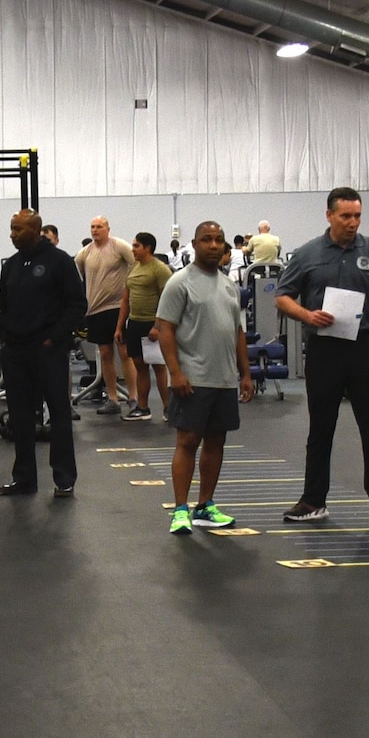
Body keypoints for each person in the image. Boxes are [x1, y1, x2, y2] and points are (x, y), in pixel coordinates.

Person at [277, 186, 369, 524]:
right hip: (324, 348)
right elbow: (282, 297)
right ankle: (313, 500)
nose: (353, 222)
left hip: (363, 347)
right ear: (329, 215)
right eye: (345, 216)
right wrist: (307, 315)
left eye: (357, 216)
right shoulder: (307, 253)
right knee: (321, 427)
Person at [153, 219, 254, 535]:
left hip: (223, 379)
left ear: (225, 247)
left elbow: (237, 331)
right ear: (194, 245)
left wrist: (246, 373)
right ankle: (180, 509)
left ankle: (205, 506)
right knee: (187, 441)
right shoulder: (179, 282)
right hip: (192, 378)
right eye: (206, 239)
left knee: (216, 441)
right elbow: (164, 328)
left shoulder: (229, 285)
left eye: (218, 240)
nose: (213, 245)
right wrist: (176, 372)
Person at [0, 209, 87, 498]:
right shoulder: (12, 265)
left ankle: (64, 478)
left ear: (35, 230)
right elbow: (4, 305)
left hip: (47, 350)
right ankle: (24, 478)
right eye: (11, 229)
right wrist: (5, 335)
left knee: (58, 414)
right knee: (20, 416)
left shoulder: (59, 261)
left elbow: (76, 305)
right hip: (17, 351)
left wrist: (53, 339)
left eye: (17, 229)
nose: (12, 234)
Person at [74, 215, 135, 416]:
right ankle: (113, 398)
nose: (95, 230)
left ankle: (133, 398)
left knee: (125, 353)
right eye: (92, 227)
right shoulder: (84, 254)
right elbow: (80, 276)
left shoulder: (120, 246)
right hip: (96, 310)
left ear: (107, 229)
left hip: (119, 308)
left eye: (99, 226)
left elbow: (136, 266)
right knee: (106, 355)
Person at [119, 232, 173, 420]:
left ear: (147, 248)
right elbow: (126, 299)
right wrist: (119, 327)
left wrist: (158, 326)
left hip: (153, 323)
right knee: (140, 366)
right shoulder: (133, 268)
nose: (132, 249)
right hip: (134, 323)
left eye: (136, 246)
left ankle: (168, 409)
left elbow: (167, 300)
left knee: (158, 367)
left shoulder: (160, 269)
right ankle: (143, 408)